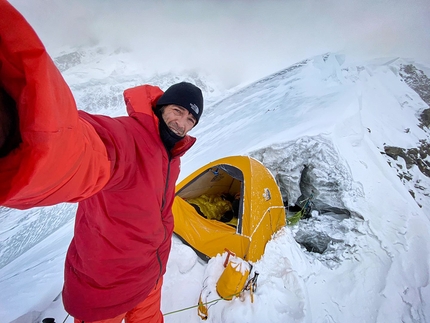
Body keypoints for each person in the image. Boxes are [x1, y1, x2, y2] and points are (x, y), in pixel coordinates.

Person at [0, 1, 203, 322]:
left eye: (190, 118)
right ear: (162, 106)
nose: (182, 122)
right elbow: (82, 152)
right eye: (178, 111)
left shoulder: (170, 155)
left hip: (149, 278)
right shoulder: (128, 138)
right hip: (106, 289)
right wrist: (16, 131)